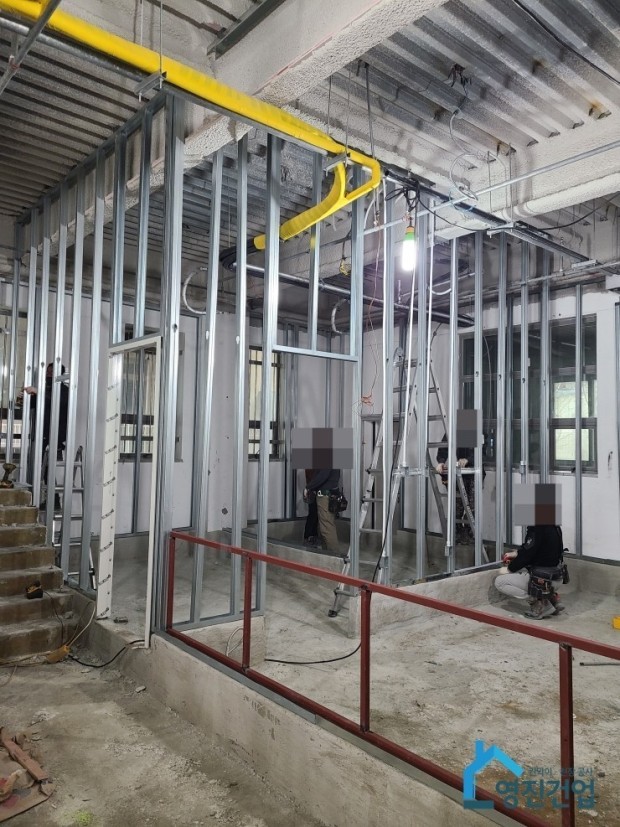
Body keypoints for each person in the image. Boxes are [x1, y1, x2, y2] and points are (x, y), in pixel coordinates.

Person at [22, 363, 69, 510]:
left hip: (55, 437)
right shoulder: (46, 390)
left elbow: (56, 402)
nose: (48, 375)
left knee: (48, 468)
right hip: (42, 435)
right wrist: (25, 399)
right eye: (47, 372)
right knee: (43, 469)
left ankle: (53, 500)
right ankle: (51, 500)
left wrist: (38, 391)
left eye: (51, 372)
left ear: (59, 375)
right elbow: (35, 405)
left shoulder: (64, 391)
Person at [494, 525, 565, 619]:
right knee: (525, 569)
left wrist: (509, 569)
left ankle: (541, 604)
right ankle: (552, 598)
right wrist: (515, 553)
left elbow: (527, 556)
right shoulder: (554, 527)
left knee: (500, 582)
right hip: (557, 578)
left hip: (543, 581)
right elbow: (536, 549)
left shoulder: (537, 528)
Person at [435, 432, 477, 544]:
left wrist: (468, 460)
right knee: (457, 507)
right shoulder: (455, 428)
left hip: (474, 474)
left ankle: (470, 535)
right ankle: (457, 535)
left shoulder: (477, 428)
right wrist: (441, 462)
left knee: (472, 508)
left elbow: (482, 451)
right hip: (460, 474)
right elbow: (444, 447)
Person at [304, 469, 340, 552]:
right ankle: (327, 554)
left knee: (327, 528)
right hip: (329, 494)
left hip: (325, 496)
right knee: (325, 527)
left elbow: (323, 475)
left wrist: (308, 487)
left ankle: (334, 556)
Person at [303, 469, 319, 547]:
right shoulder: (311, 468)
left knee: (314, 515)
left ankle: (311, 535)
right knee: (313, 515)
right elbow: (312, 479)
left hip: (313, 491)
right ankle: (309, 536)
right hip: (313, 491)